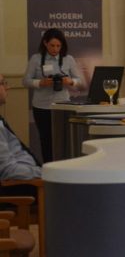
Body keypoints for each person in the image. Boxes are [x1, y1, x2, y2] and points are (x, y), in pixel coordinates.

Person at [22, 28, 84, 163]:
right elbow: (25, 81)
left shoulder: (68, 59)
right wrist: (40, 82)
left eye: (58, 46)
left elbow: (80, 81)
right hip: (42, 107)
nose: (55, 49)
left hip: (63, 106)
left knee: (64, 140)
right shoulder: (36, 59)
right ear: (45, 43)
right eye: (52, 45)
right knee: (46, 141)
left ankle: (64, 167)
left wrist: (70, 81)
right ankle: (49, 167)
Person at [0, 75, 42, 181]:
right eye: (3, 83)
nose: (7, 87)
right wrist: (45, 173)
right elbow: (8, 171)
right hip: (23, 186)